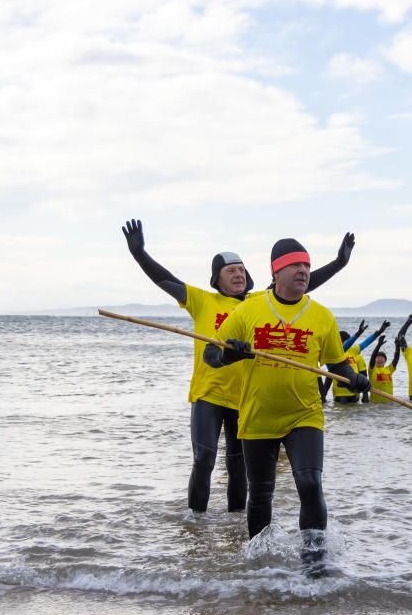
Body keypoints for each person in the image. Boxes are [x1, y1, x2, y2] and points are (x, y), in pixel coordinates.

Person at [122, 219, 355, 514]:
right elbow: (163, 279)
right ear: (216, 279)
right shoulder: (202, 300)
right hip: (209, 394)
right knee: (204, 460)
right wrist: (140, 254)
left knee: (238, 466)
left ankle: (234, 523)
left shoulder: (258, 301)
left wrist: (338, 263)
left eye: (242, 270)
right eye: (231, 270)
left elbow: (297, 281)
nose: (239, 274)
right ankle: (196, 522)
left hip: (244, 399)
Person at [203, 238, 370, 571]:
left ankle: (315, 563)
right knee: (261, 494)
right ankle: (259, 563)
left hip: (304, 414)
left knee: (310, 483)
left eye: (307, 266)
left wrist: (355, 378)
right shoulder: (248, 310)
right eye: (296, 265)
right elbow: (211, 355)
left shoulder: (321, 316)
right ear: (276, 271)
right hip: (257, 414)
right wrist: (228, 353)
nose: (304, 271)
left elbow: (338, 365)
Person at [322, 320, 390, 403]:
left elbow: (365, 343)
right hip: (340, 394)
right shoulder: (335, 354)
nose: (350, 344)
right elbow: (329, 377)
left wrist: (378, 332)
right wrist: (323, 395)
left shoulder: (353, 351)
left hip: (354, 392)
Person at [367, 335, 400, 402]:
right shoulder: (372, 369)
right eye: (378, 357)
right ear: (375, 360)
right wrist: (378, 345)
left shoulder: (389, 369)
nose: (380, 359)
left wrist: (397, 347)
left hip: (389, 405)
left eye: (382, 358)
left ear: (385, 360)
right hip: (376, 405)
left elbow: (396, 359)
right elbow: (372, 357)